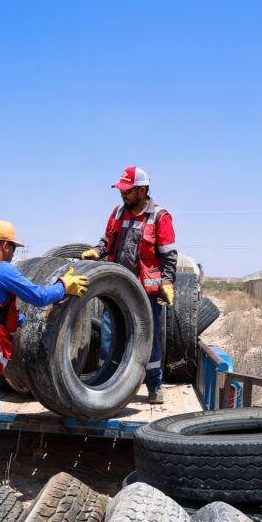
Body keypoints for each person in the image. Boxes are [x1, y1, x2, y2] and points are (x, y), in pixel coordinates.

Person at [0, 220, 89, 504]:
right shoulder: (1, 269)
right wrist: (63, 286)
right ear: (6, 246)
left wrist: (18, 321)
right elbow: (37, 295)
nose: (13, 254)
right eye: (13, 248)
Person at [83, 166, 177, 404]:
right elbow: (107, 240)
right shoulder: (117, 213)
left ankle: (154, 386)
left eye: (127, 190)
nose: (122, 194)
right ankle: (106, 383)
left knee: (148, 338)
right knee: (109, 336)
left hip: (146, 291)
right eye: (121, 189)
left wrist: (167, 282)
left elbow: (169, 254)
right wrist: (97, 250)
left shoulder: (159, 216)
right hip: (116, 287)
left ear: (142, 190)